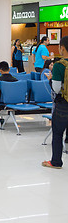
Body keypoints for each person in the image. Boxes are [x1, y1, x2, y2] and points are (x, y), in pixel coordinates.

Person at [42, 36, 68, 169]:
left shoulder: (59, 65)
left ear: (62, 48)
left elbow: (57, 88)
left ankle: (56, 162)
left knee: (57, 133)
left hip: (63, 105)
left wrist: (51, 79)